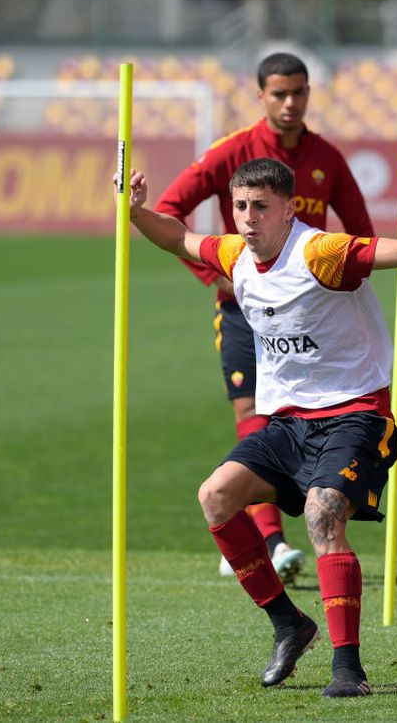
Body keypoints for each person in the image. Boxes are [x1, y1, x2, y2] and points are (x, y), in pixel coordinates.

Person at [122, 157, 397, 695]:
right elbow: (178, 237)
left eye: (260, 206)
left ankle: (348, 668)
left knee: (323, 512)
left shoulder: (321, 253)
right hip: (289, 423)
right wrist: (137, 213)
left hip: (356, 413)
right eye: (240, 206)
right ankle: (289, 624)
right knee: (215, 496)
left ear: (289, 209)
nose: (248, 217)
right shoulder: (235, 253)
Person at [155, 52, 375, 585]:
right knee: (252, 413)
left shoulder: (326, 157)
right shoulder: (231, 151)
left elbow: (361, 232)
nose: (290, 102)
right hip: (245, 311)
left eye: (299, 92)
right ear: (261, 96)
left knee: (304, 417)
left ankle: (295, 528)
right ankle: (272, 540)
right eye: (279, 93)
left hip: (314, 321)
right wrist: (213, 277)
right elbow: (167, 212)